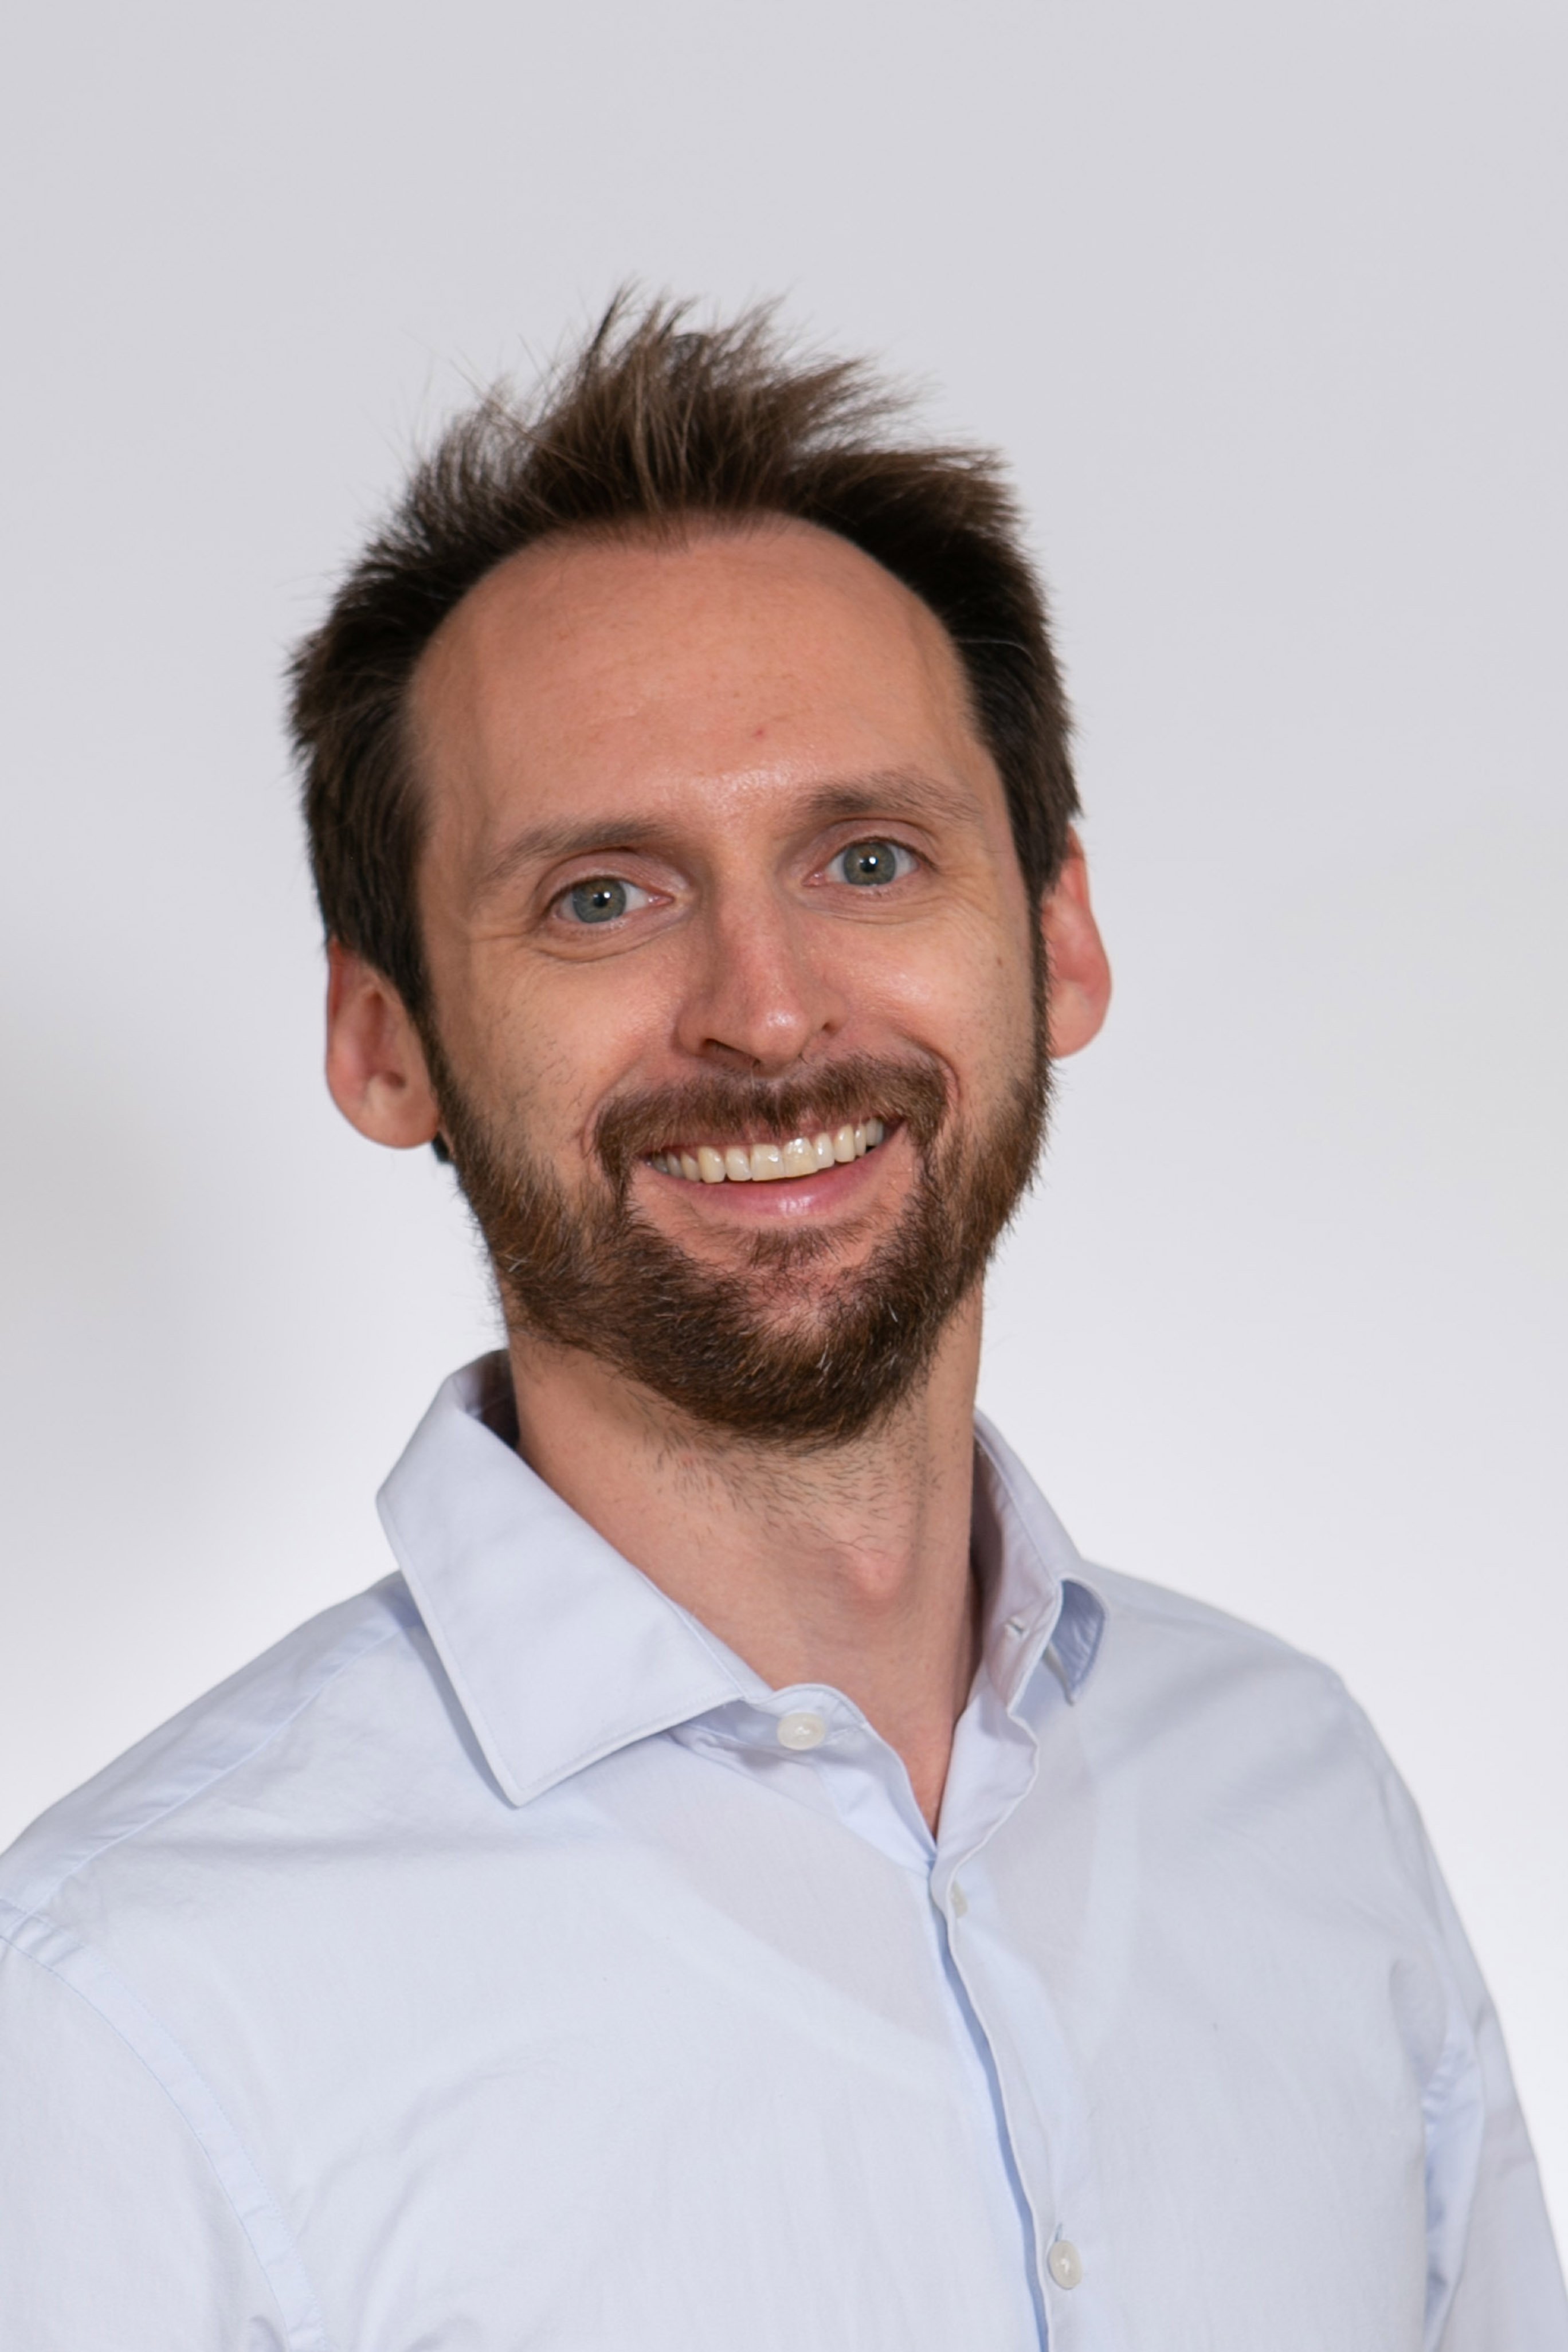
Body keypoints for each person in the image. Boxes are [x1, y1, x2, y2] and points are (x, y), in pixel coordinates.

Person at [0, 297, 1561, 2352]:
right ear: (386, 1044)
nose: (768, 1007)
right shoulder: (120, 2025)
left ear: (1059, 939)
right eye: (604, 897)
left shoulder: (1299, 1795)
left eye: (869, 857)